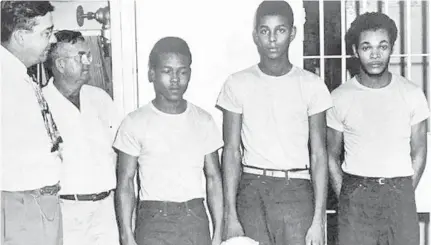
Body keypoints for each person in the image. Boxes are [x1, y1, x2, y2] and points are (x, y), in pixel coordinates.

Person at [216, 1, 332, 245]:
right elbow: (231, 152)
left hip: (298, 190)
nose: (272, 39)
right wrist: (231, 214)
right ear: (255, 35)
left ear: (292, 33)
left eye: (280, 30)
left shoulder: (311, 85)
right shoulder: (237, 84)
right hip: (252, 189)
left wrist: (318, 219)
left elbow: (319, 154)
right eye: (265, 30)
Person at [327, 12, 429, 245]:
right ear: (355, 51)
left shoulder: (412, 94)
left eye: (382, 46)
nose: (375, 54)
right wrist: (347, 193)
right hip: (356, 194)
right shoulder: (339, 97)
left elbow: (420, 151)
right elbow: (331, 155)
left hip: (399, 194)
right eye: (366, 47)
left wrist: (402, 191)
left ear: (391, 47)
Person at [114, 36, 224, 245]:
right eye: (167, 71)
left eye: (182, 72)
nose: (175, 79)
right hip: (153, 219)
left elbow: (214, 179)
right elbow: (126, 183)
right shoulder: (134, 122)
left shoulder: (203, 120)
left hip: (194, 217)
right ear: (152, 73)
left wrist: (218, 230)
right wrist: (126, 234)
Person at [43, 30, 121, 245]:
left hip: (106, 209)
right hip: (65, 212)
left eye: (88, 55)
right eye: (81, 56)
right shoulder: (40, 104)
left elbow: (118, 155)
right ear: (60, 65)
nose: (88, 62)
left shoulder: (100, 99)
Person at [1, 2, 62, 245]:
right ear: (20, 37)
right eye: (46, 33)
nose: (53, 39)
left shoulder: (19, 75)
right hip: (21, 205)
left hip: (37, 202)